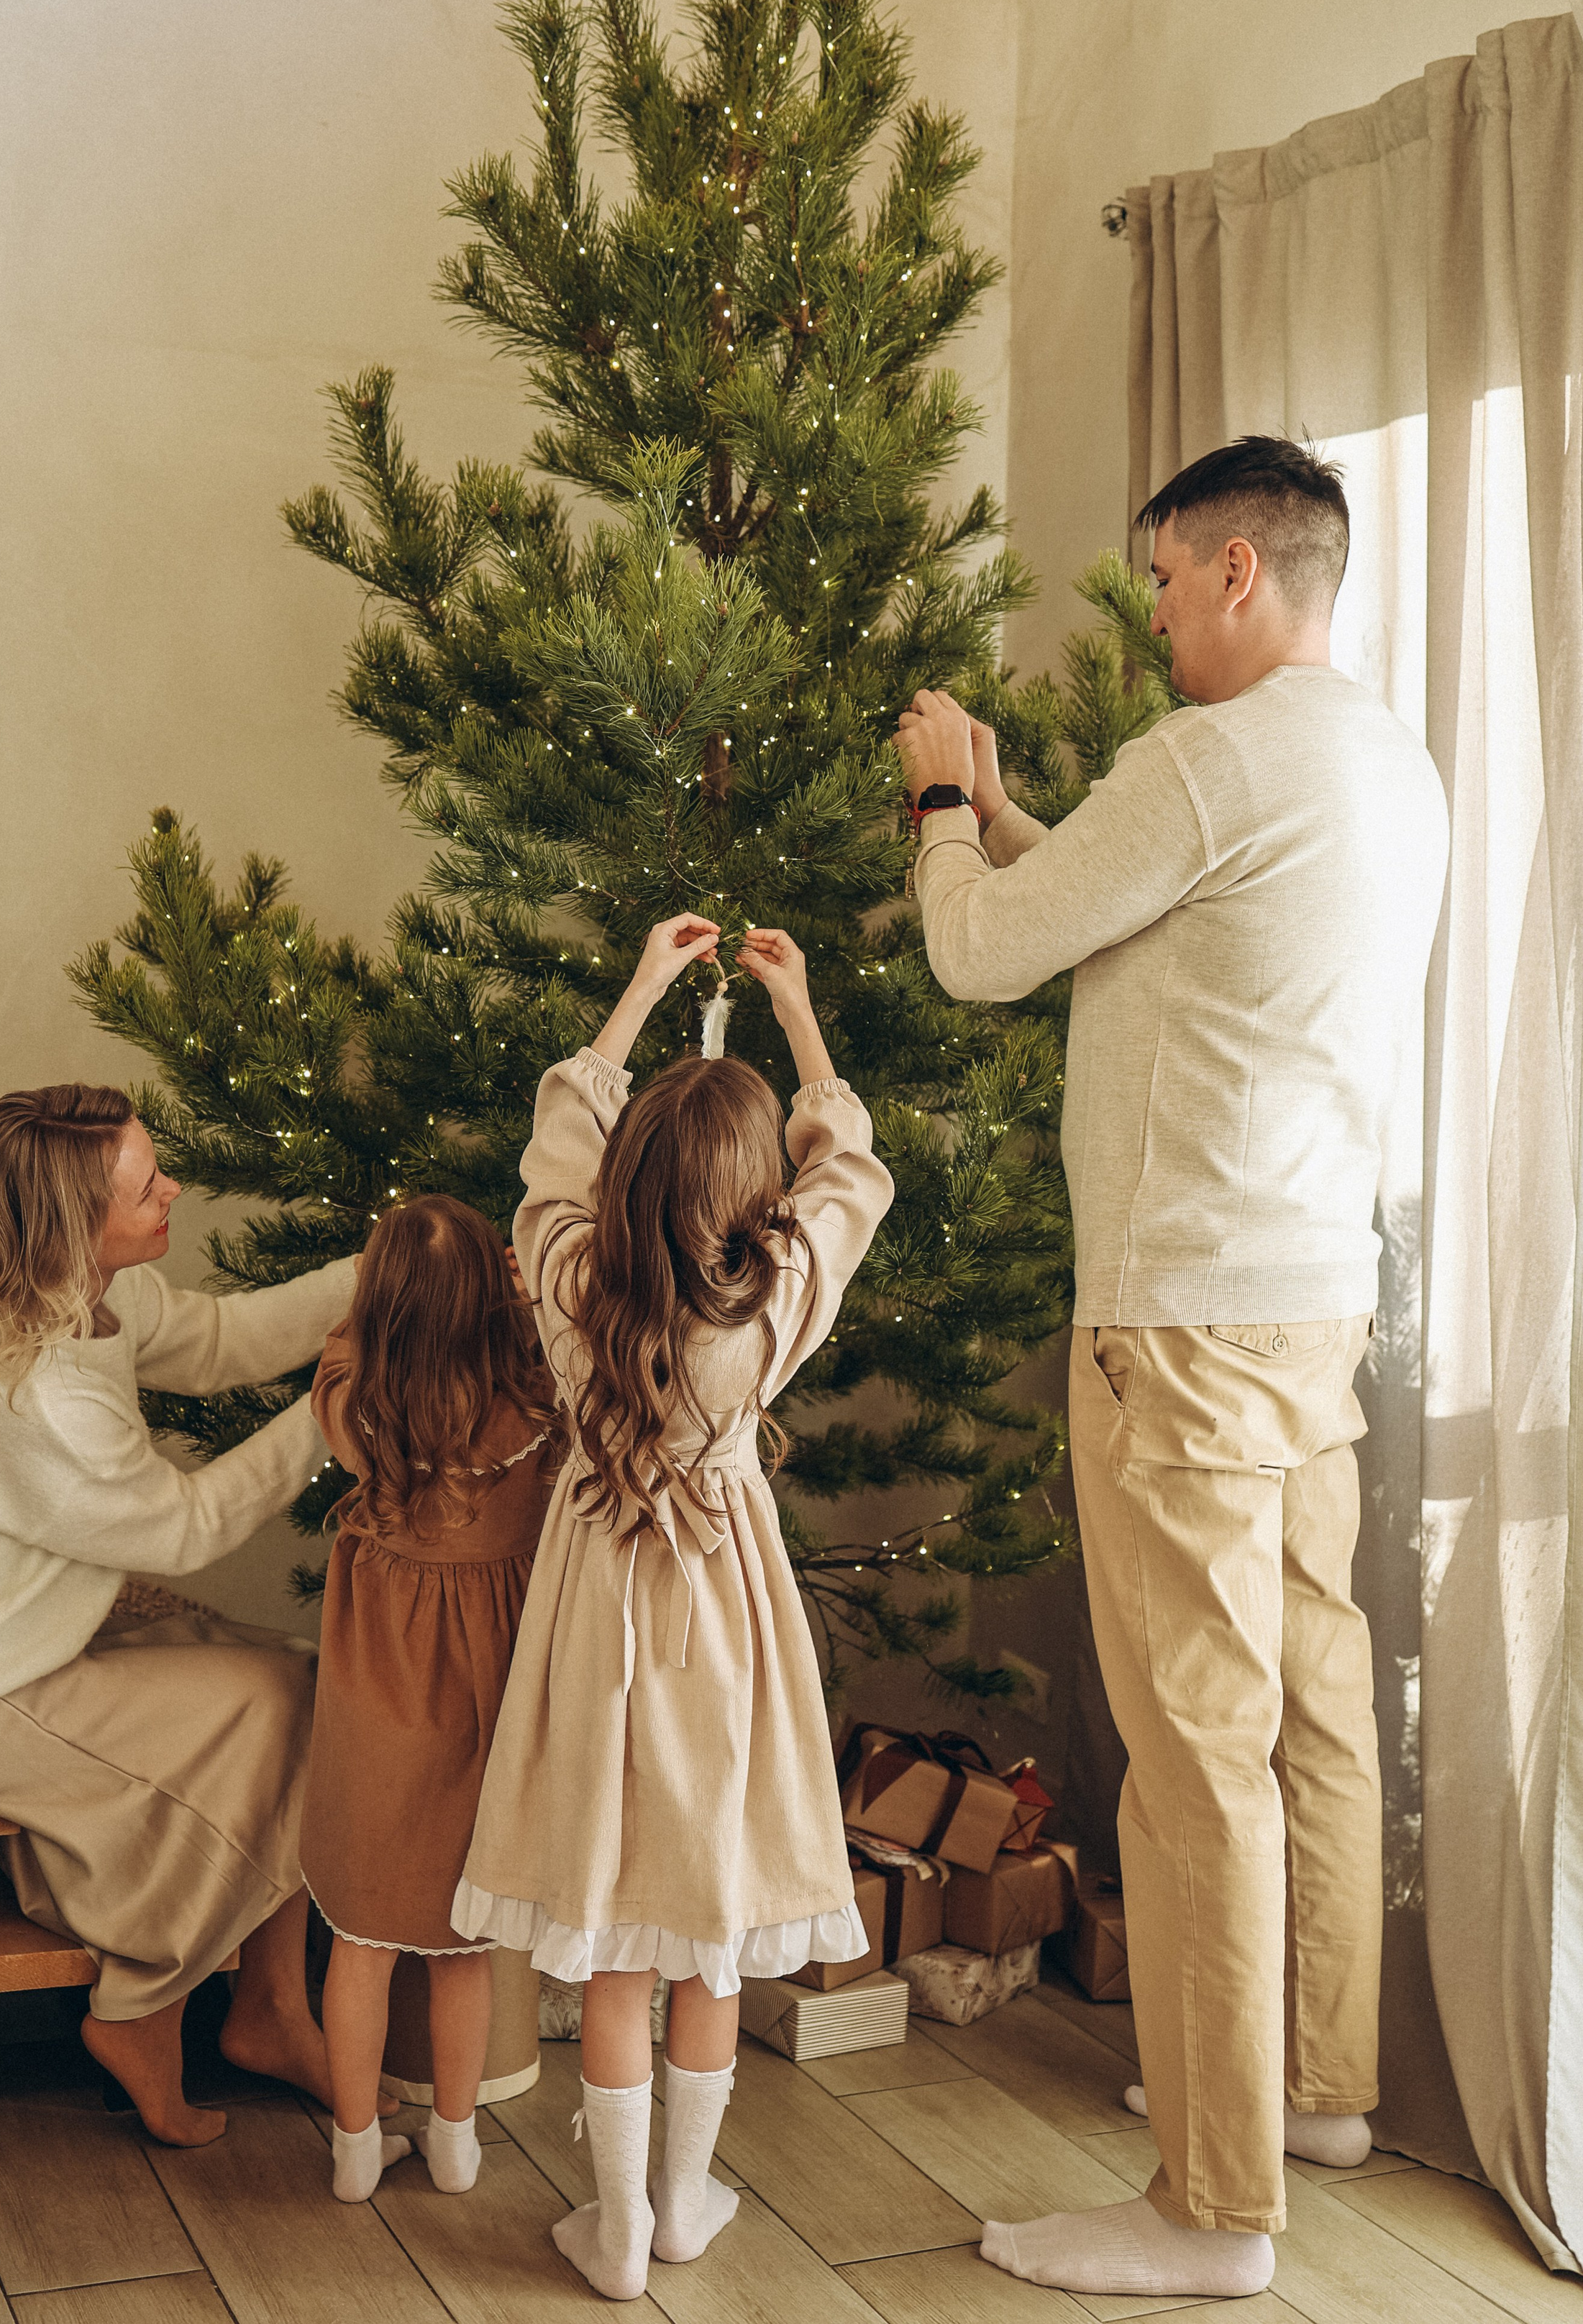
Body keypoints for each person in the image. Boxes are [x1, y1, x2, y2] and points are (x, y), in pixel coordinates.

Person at [894, 436, 1450, 2301]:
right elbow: (1149, 903)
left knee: (1194, 1756)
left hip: (1182, 1326)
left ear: (1232, 569)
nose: (1145, 616)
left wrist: (935, 806)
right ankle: (1312, 2091)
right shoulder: (1382, 762)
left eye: (1155, 580)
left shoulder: (1206, 758)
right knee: (1312, 1706)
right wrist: (1010, 808)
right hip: (1309, 1308)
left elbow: (982, 955)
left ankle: (1211, 2206)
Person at [455, 917, 895, 2302]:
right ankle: (684, 2201)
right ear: (759, 1203)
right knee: (705, 1930)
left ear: (627, 1178)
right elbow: (852, 1173)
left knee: (614, 1940)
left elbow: (555, 1147)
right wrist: (800, 1015)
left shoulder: (570, 1277)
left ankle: (617, 2224)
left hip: (598, 1618)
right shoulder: (774, 1305)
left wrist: (643, 987)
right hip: (727, 1624)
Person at [0, 1082, 357, 2147]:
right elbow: (190, 1528)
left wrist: (376, 1278)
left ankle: (271, 2010)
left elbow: (219, 1339)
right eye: (146, 1185)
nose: (172, 1190)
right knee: (276, 1699)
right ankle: (141, 2006)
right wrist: (339, 1405)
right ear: (75, 1221)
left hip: (14, 1641)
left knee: (308, 1678)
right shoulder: (42, 1397)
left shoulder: (69, 1287)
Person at [301, 1193, 565, 2205]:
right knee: (463, 1949)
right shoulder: (532, 1410)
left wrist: (372, 1310)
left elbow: (336, 1357)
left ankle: (354, 2148)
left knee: (361, 1941)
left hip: (377, 1709)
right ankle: (456, 2145)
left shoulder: (361, 1408)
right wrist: (526, 1304)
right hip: (481, 1710)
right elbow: (563, 1360)